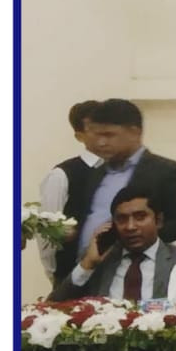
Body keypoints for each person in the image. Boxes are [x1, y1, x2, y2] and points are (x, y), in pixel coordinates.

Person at [55, 98, 176, 284]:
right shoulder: (94, 172)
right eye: (97, 135)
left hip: (130, 274)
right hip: (82, 271)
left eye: (109, 135)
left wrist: (127, 241)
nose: (101, 143)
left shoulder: (166, 171)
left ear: (135, 133)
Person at [50, 185, 176, 303]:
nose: (130, 227)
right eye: (122, 219)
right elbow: (53, 304)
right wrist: (88, 264)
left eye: (140, 217)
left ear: (159, 221)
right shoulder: (99, 259)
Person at [35, 99, 102, 282]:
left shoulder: (123, 170)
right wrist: (55, 275)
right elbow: (46, 233)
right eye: (94, 128)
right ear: (79, 136)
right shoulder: (61, 175)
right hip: (73, 275)